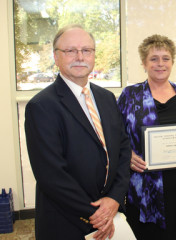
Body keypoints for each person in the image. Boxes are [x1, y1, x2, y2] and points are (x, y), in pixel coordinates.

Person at [25, 24, 131, 240]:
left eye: (86, 50)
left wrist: (114, 199)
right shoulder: (42, 106)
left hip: (111, 213)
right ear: (56, 56)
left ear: (93, 55)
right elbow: (51, 175)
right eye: (70, 50)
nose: (80, 56)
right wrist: (95, 214)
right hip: (67, 221)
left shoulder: (106, 98)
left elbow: (123, 149)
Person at [117, 34, 176, 240]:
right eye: (153, 58)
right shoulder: (130, 95)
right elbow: (116, 135)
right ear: (144, 63)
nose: (160, 64)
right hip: (144, 186)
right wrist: (127, 155)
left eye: (165, 58)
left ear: (172, 62)